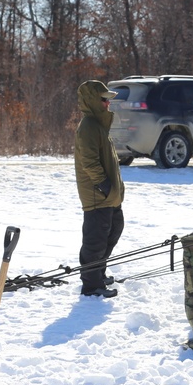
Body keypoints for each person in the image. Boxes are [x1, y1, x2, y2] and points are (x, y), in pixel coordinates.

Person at [74, 79, 125, 298]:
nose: (108, 103)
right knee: (95, 241)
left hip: (110, 196)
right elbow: (89, 161)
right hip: (97, 196)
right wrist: (103, 185)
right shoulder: (88, 126)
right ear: (93, 101)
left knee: (114, 230)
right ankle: (91, 285)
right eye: (104, 99)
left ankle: (98, 273)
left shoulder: (99, 125)